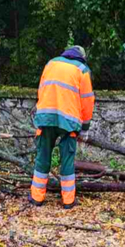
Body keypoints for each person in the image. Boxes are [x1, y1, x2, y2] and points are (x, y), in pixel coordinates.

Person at [29, 45, 95, 209]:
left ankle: (37, 197)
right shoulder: (82, 69)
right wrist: (85, 129)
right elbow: (87, 101)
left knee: (42, 156)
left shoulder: (50, 63)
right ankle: (67, 201)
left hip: (46, 118)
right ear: (82, 57)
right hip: (69, 121)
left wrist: (41, 113)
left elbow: (41, 90)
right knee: (67, 160)